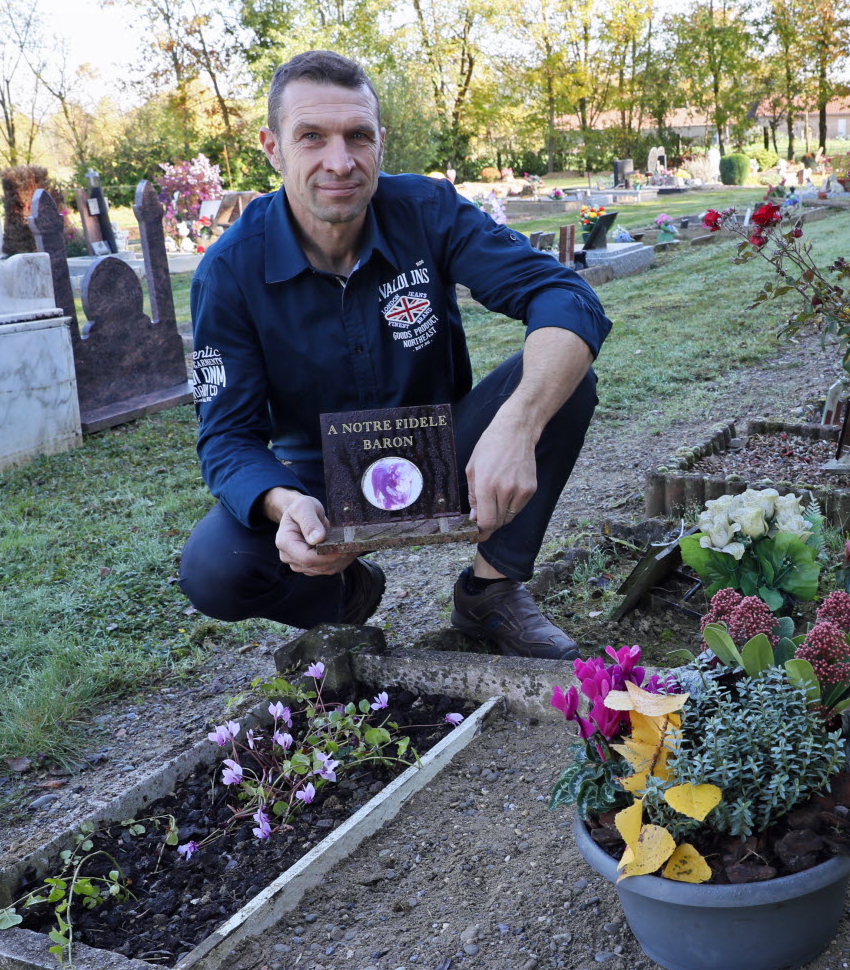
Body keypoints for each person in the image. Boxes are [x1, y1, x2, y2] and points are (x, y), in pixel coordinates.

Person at [177, 50, 609, 659]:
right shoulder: (229, 271)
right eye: (311, 138)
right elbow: (226, 438)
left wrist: (517, 423)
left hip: (442, 451)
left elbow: (562, 295)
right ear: (272, 148)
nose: (340, 161)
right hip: (319, 483)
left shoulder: (427, 211)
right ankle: (343, 593)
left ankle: (490, 592)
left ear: (381, 141)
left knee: (560, 379)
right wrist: (286, 504)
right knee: (213, 569)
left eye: (358, 136)